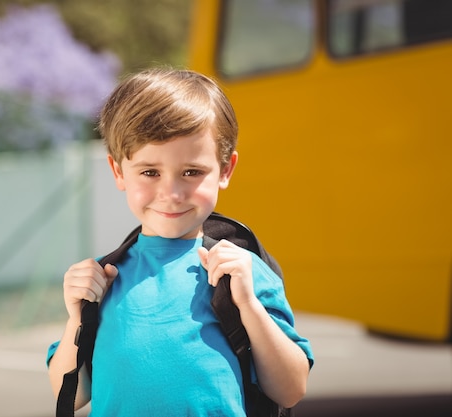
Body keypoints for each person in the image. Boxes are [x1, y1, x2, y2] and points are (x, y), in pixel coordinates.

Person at [47, 67, 314, 416]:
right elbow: (70, 392)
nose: (171, 193)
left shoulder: (240, 271)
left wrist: (248, 304)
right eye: (150, 172)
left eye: (192, 172)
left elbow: (291, 390)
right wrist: (75, 318)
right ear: (117, 172)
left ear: (225, 170)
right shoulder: (105, 278)